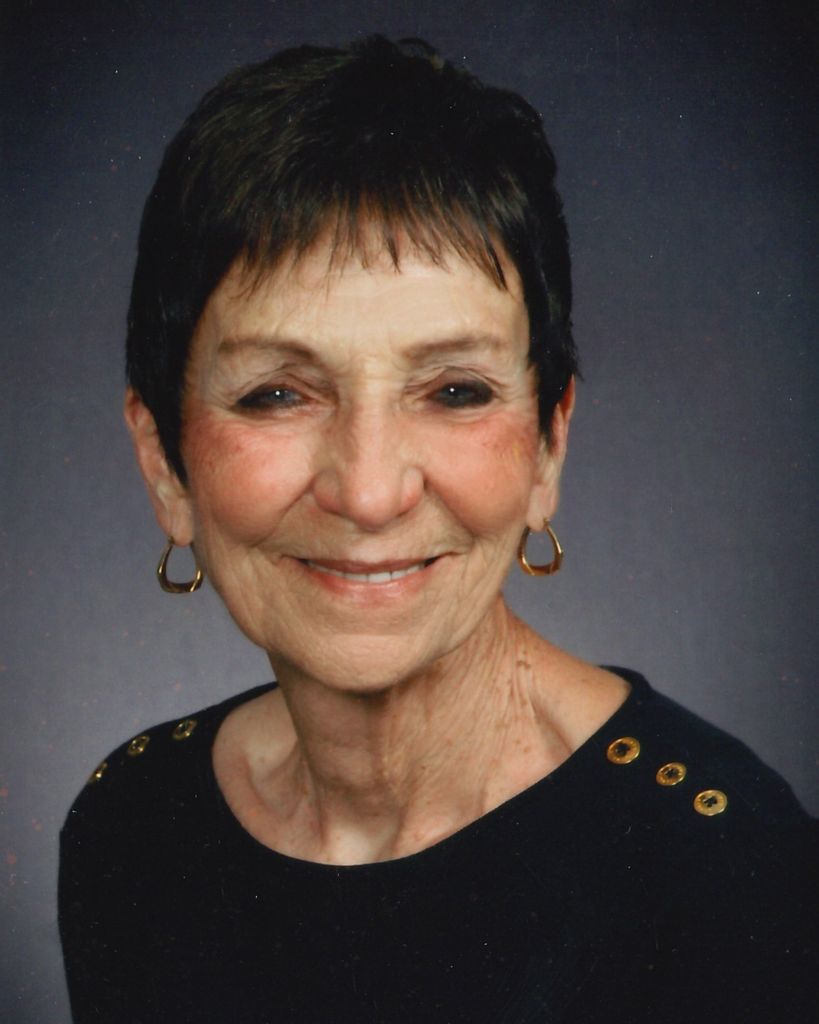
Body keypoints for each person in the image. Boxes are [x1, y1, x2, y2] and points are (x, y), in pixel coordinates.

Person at [59, 35, 817, 1023]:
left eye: (455, 390)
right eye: (277, 392)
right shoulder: (134, 829)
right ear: (166, 462)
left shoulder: (723, 866)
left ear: (547, 446)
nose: (370, 492)